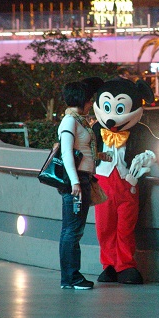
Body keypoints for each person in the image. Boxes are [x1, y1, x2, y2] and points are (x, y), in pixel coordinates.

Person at [58, 81, 97, 290]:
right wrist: (74, 181)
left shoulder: (78, 121)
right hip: (77, 181)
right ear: (81, 100)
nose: (91, 103)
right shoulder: (69, 122)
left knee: (74, 230)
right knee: (72, 231)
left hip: (83, 179)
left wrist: (99, 157)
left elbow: (80, 150)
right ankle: (71, 277)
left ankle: (71, 277)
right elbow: (66, 153)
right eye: (89, 99)